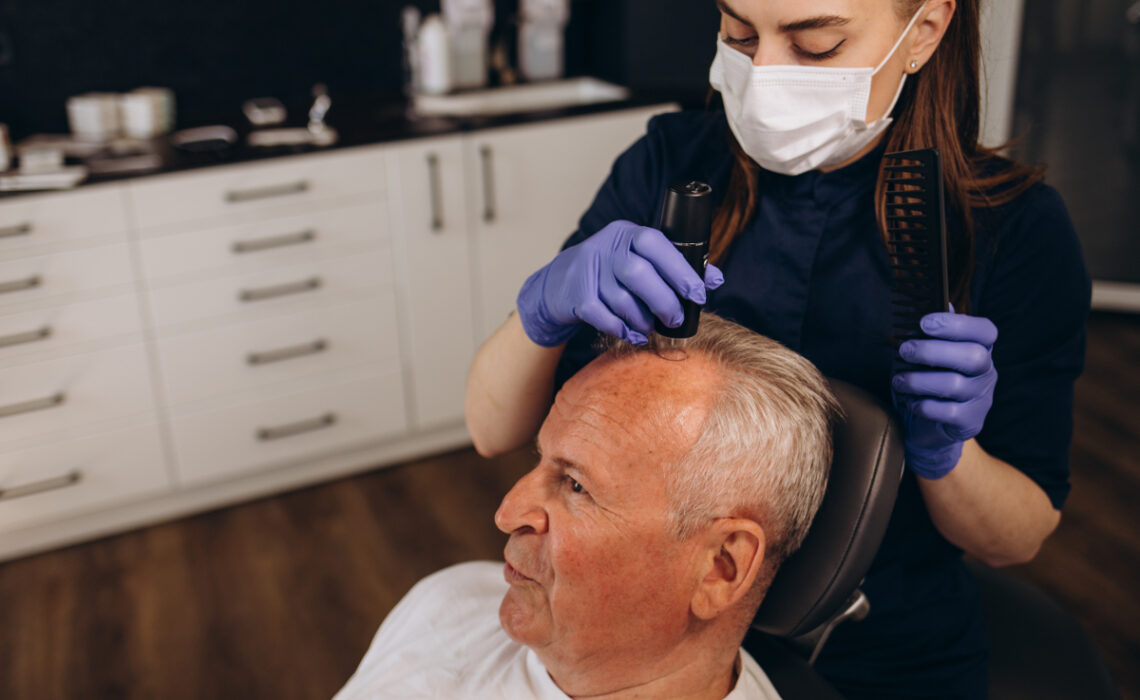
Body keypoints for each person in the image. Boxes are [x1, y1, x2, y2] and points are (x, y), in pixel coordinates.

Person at [465, 1, 1092, 697]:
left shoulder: (1014, 232)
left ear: (925, 30)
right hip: (655, 629)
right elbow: (493, 430)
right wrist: (541, 308)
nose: (762, 72)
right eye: (738, 33)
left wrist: (950, 454)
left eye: (815, 45)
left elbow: (1017, 538)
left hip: (883, 650)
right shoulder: (670, 163)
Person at [337, 315, 840, 699]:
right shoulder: (453, 598)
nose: (507, 513)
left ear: (719, 567)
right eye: (540, 461)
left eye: (575, 486)